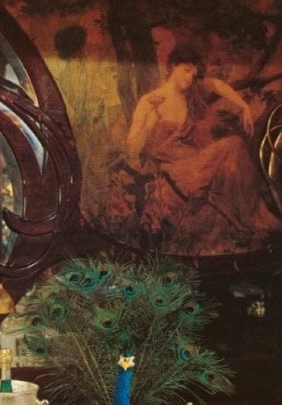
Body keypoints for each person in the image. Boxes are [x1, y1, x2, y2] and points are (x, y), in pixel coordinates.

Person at [119, 42, 281, 254]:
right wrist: (150, 121)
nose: (190, 78)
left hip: (196, 162)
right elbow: (132, 149)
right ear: (173, 66)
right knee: (233, 144)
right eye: (186, 70)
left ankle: (247, 222)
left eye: (194, 74)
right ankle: (250, 220)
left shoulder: (191, 94)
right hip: (175, 171)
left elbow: (218, 85)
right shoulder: (149, 101)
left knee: (232, 166)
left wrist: (243, 106)